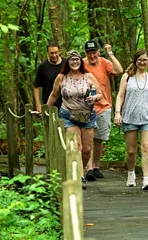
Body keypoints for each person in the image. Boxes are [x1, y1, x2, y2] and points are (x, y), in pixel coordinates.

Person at [47, 50, 102, 189]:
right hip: (68, 115)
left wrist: (94, 97)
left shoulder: (88, 76)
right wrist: (45, 109)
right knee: (76, 147)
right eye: (72, 60)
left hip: (87, 116)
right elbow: (54, 94)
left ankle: (81, 170)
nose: (75, 62)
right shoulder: (62, 77)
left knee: (87, 150)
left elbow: (100, 94)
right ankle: (79, 176)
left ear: (80, 61)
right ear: (68, 62)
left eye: (77, 60)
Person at [114, 49, 148, 190]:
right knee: (131, 151)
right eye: (140, 60)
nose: (142, 62)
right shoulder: (127, 77)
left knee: (146, 147)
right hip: (130, 117)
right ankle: (131, 173)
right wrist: (117, 113)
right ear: (135, 61)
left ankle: (146, 179)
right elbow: (120, 96)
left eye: (145, 60)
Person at [83, 40, 123, 181]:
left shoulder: (104, 62)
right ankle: (88, 170)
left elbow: (119, 70)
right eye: (89, 53)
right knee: (88, 138)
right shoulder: (81, 64)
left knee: (99, 139)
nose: (92, 55)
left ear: (98, 52)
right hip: (87, 106)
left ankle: (96, 166)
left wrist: (110, 53)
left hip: (104, 106)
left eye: (94, 52)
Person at [34, 40, 65, 112]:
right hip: (48, 105)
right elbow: (36, 87)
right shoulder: (43, 66)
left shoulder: (66, 64)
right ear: (47, 53)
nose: (54, 55)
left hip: (65, 105)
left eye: (56, 52)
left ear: (59, 51)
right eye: (51, 53)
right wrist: (38, 105)